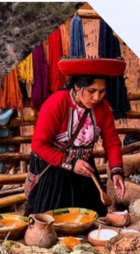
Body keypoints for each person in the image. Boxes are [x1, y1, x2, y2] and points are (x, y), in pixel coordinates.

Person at [24, 60, 127, 217]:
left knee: (92, 219)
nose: (97, 97)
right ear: (77, 87)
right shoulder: (57, 103)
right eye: (91, 91)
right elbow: (38, 145)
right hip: (54, 171)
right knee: (53, 222)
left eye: (102, 91)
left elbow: (111, 141)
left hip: (85, 171)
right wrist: (70, 162)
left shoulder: (103, 108)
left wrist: (116, 170)